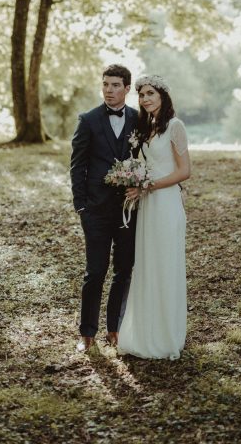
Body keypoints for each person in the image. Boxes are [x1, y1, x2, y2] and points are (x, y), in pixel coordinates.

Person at [117, 74, 191, 360]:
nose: (146, 99)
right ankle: (146, 332)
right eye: (142, 95)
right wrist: (137, 183)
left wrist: (149, 185)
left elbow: (185, 171)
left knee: (165, 264)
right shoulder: (146, 128)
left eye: (150, 93)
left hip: (166, 203)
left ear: (163, 95)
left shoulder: (175, 126)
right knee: (147, 264)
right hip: (148, 206)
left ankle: (166, 334)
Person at [70, 64, 139, 352]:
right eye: (105, 85)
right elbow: (78, 165)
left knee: (123, 270)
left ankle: (115, 329)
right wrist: (81, 206)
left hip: (128, 209)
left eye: (114, 85)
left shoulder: (139, 120)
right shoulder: (88, 120)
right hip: (95, 210)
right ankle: (87, 333)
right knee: (95, 271)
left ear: (126, 88)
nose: (108, 90)